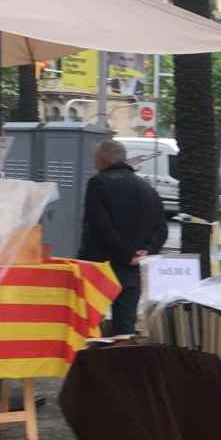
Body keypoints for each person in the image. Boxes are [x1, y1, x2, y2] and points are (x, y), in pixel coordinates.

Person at [79, 138, 168, 336]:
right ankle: (120, 365)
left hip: (101, 268)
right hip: (132, 271)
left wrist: (126, 254)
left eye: (96, 158)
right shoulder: (147, 189)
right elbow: (161, 229)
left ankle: (92, 365)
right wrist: (146, 252)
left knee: (90, 325)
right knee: (124, 329)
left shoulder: (98, 183)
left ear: (102, 158)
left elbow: (100, 226)